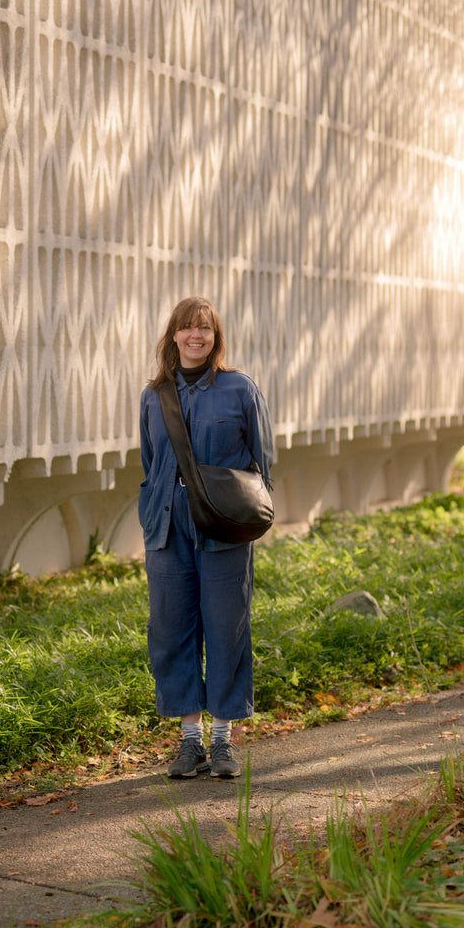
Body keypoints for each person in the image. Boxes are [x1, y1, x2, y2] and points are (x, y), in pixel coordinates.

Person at [138, 296, 274, 778]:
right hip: (168, 527)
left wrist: (248, 518)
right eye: (188, 328)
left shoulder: (240, 388)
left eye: (206, 329)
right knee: (171, 631)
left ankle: (222, 741)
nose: (197, 336)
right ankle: (189, 741)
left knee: (226, 627)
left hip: (224, 529)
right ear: (173, 335)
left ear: (216, 338)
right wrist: (156, 513)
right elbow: (150, 463)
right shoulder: (155, 394)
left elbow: (264, 461)